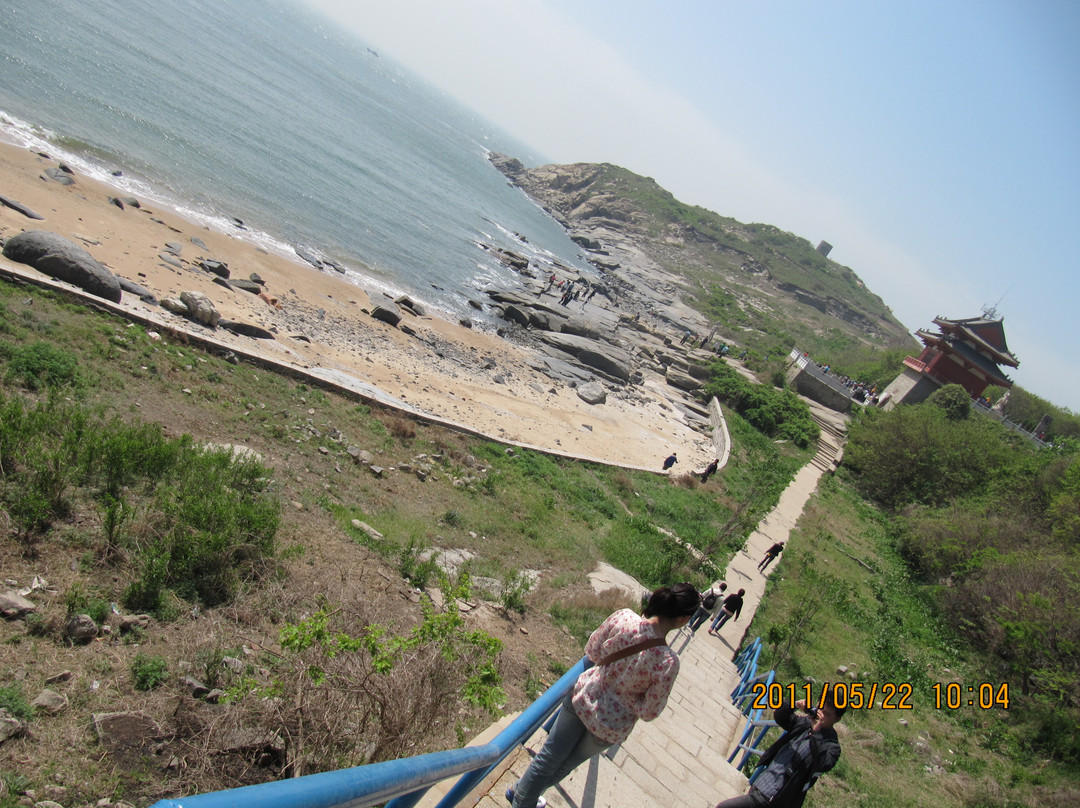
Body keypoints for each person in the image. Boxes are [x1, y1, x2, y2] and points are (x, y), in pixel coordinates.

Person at [507, 584, 700, 808]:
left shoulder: (624, 618)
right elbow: (649, 712)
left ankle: (521, 793)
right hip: (609, 726)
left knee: (548, 757)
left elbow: (593, 651)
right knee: (563, 766)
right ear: (683, 619)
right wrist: (629, 697)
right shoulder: (667, 663)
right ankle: (522, 800)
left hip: (583, 697)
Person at [714, 693, 844, 807]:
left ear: (837, 719)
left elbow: (823, 764)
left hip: (775, 799)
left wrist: (816, 734)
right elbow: (781, 718)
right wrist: (793, 705)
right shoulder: (805, 724)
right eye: (819, 708)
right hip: (762, 783)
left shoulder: (831, 746)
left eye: (826, 714)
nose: (820, 714)